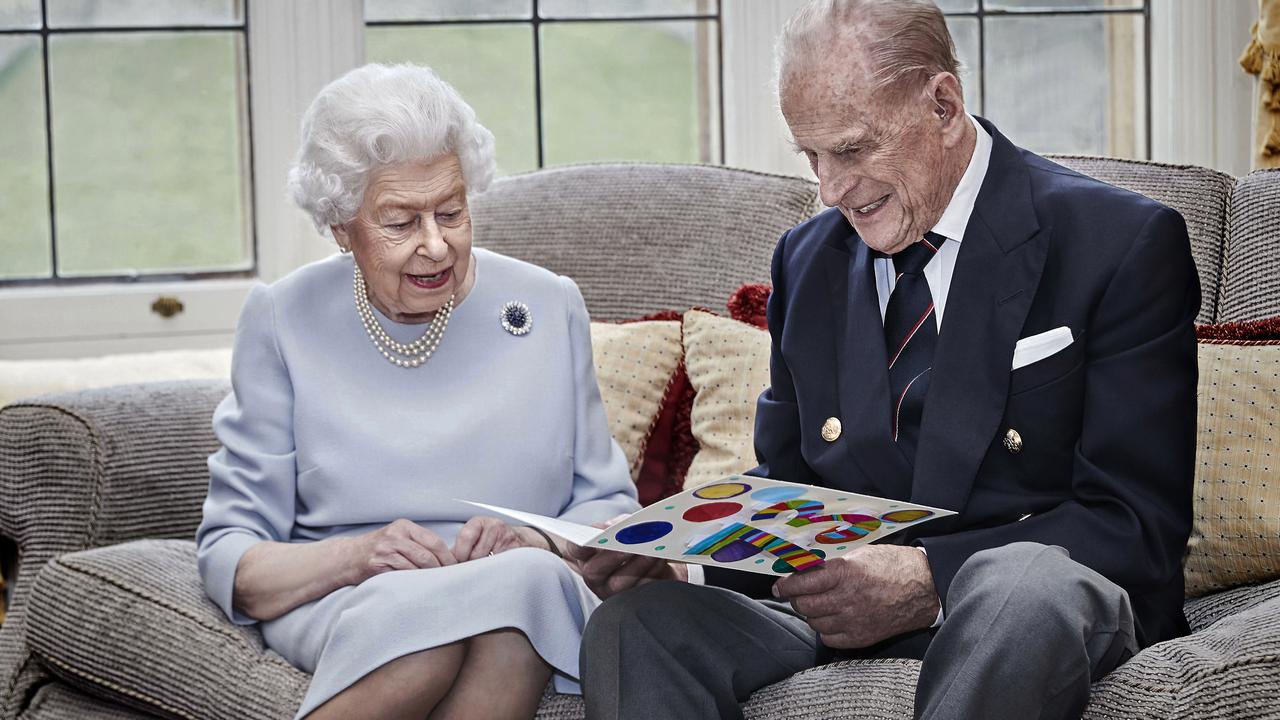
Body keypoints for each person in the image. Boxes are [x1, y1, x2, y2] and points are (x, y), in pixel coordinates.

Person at [573, 2, 1199, 718]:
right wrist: (679, 558)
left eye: (851, 150)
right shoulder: (806, 261)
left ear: (942, 105)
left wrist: (931, 578)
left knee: (1020, 588)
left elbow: (1135, 523)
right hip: (842, 623)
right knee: (638, 625)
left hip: (1036, 612)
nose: (830, 191)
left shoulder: (1120, 242)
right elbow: (791, 490)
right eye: (811, 157)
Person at [195, 63, 638, 720]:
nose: (436, 246)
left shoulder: (548, 305)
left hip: (525, 585)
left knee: (516, 599)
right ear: (342, 227)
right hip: (352, 593)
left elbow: (610, 510)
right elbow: (233, 556)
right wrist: (357, 556)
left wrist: (537, 544)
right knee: (434, 636)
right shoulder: (283, 318)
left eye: (452, 212)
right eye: (400, 221)